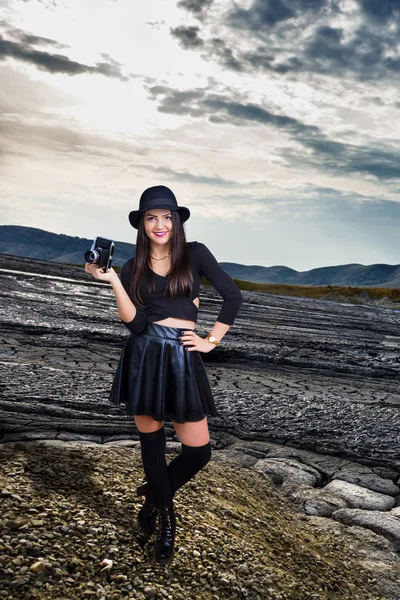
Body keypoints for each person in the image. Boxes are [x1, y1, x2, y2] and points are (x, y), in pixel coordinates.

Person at [85, 185, 243, 565]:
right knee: (152, 442)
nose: (160, 225)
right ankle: (166, 521)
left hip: (183, 353)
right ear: (142, 223)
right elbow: (136, 324)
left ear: (176, 221)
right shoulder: (132, 266)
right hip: (144, 353)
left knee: (199, 451)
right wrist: (114, 283)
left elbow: (233, 296)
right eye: (152, 218)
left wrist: (211, 341)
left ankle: (156, 494)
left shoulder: (195, 254)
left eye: (166, 217)